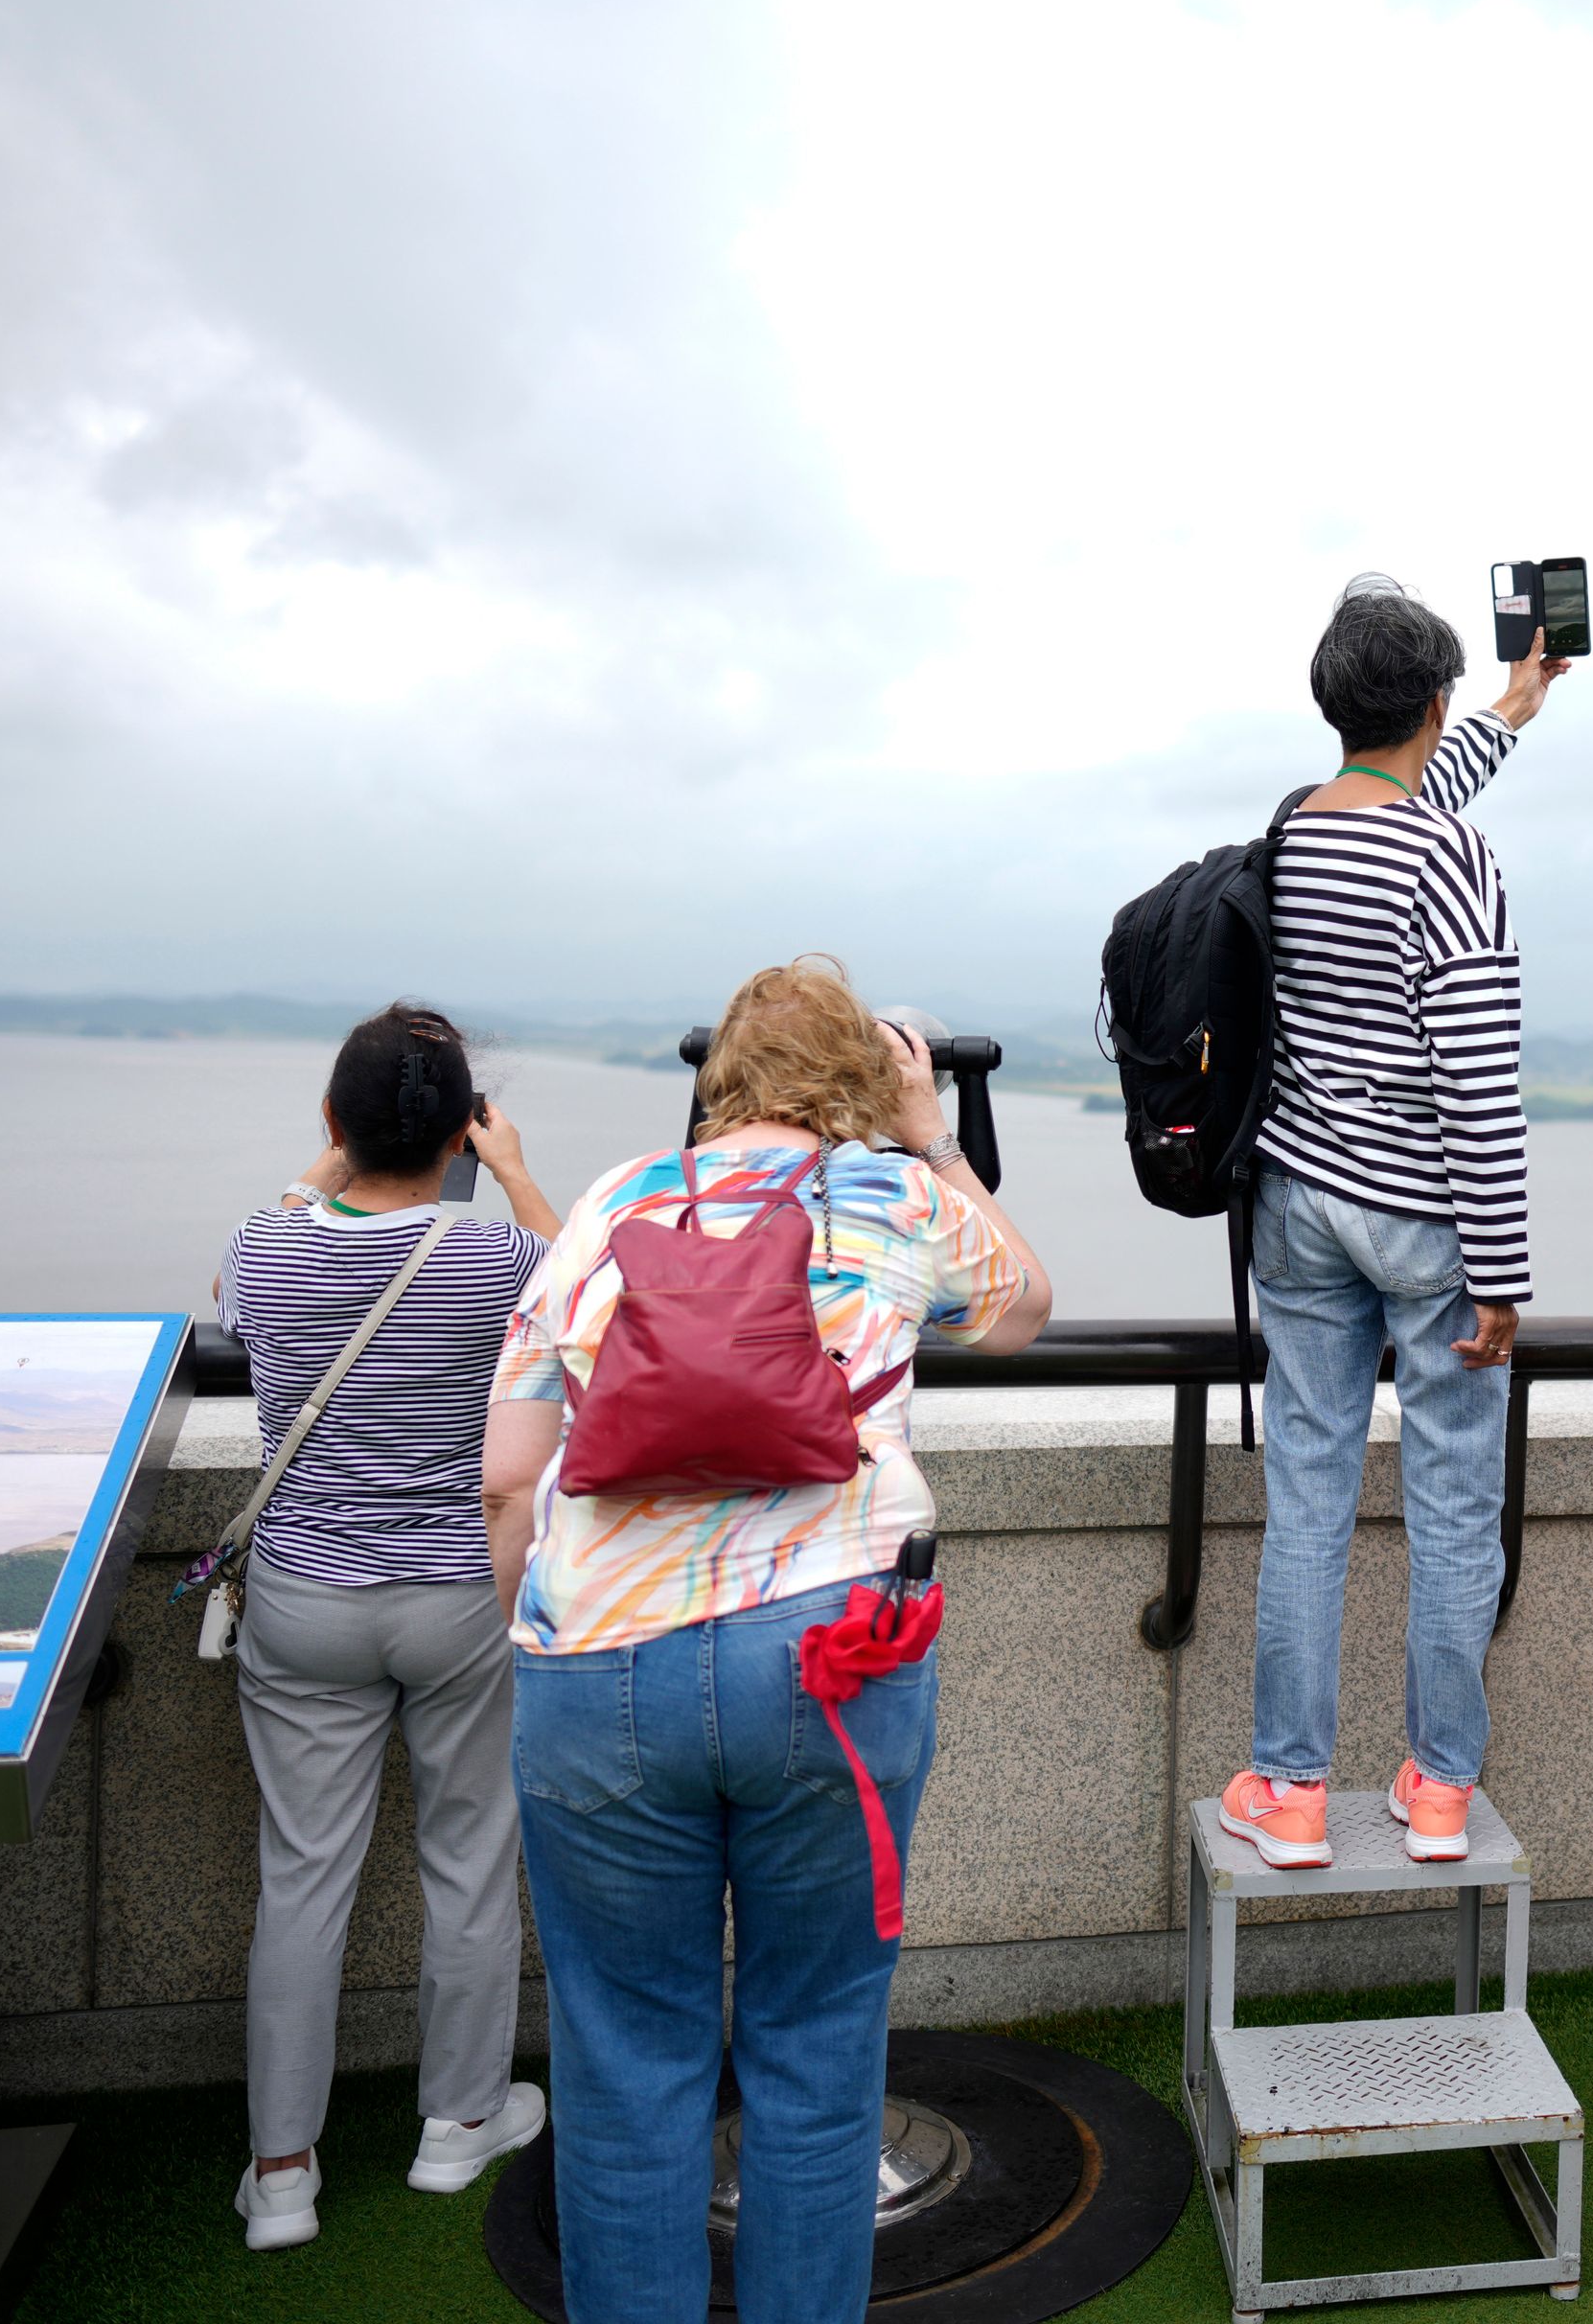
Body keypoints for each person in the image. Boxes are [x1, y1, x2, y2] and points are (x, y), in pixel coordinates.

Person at [485, 959, 1051, 2324]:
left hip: (600, 1671)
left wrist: (533, 1633)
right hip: (833, 1662)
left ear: (715, 1076)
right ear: (865, 1076)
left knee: (625, 2067)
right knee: (816, 2051)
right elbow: (1026, 1306)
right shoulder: (896, 1195)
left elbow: (511, 1473)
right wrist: (931, 1138)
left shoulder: (614, 1203)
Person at [1216, 577, 1568, 1871]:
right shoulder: (1450, 859)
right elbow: (1480, 1081)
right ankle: (1437, 1790)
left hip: (1297, 1205)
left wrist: (1515, 712)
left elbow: (1406, 786)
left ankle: (1292, 1793)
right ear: (1431, 701)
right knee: (1452, 1506)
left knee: (1305, 1493)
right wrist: (1503, 1274)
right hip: (1425, 1217)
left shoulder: (1294, 831)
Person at [219, 1002, 565, 2255]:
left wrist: (326, 1156)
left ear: (337, 1121)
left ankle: (283, 2174)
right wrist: (516, 1168)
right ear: (463, 1132)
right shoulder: (496, 1264)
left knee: (300, 1878)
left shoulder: (267, 1249)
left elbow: (236, 1276)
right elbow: (589, 1299)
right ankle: (458, 2125)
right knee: (471, 1857)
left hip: (308, 1601)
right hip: (461, 1598)